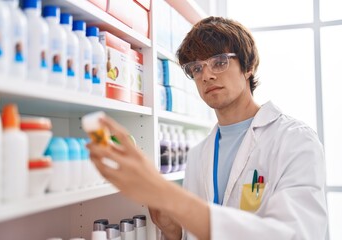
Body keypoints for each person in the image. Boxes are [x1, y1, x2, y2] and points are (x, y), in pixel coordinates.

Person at [87, 16, 327, 240]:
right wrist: (172, 228)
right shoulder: (200, 154)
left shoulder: (295, 141)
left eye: (219, 62)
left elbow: (297, 234)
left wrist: (169, 195)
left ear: (248, 66)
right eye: (197, 68)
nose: (206, 76)